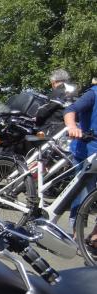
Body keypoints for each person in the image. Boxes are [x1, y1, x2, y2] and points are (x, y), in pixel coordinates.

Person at [64, 81, 97, 242]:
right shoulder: (93, 94)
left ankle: (95, 234)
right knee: (83, 193)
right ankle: (77, 233)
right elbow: (71, 110)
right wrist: (72, 126)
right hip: (87, 151)